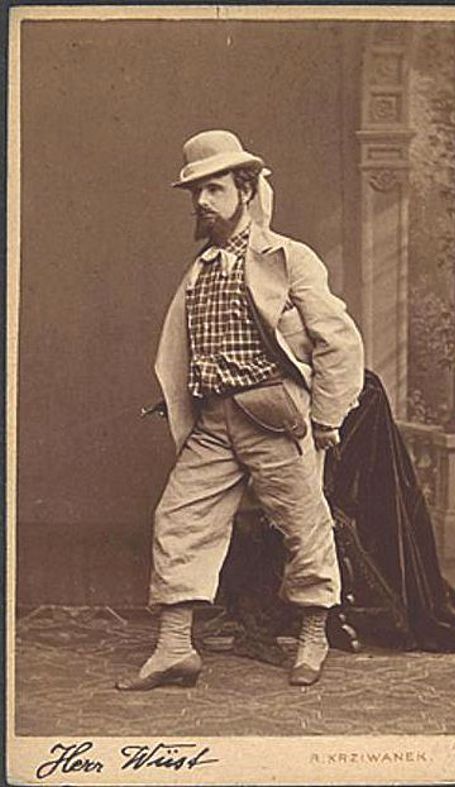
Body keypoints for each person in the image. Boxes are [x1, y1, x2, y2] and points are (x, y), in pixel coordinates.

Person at [116, 130, 364, 691]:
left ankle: (313, 636)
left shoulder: (288, 258)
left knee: (303, 524)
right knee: (179, 520)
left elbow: (339, 341)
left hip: (273, 416)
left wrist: (326, 417)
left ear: (246, 189)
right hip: (213, 422)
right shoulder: (200, 268)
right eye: (195, 192)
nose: (203, 201)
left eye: (215, 188)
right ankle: (175, 649)